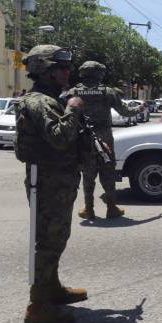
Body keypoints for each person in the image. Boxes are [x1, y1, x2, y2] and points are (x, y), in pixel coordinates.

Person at [13, 45, 87, 323]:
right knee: (47, 242)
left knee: (57, 238)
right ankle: (38, 305)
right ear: (44, 70)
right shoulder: (39, 102)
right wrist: (72, 110)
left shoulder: (50, 98)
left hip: (58, 181)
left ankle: (52, 289)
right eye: (61, 67)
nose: (67, 72)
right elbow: (59, 137)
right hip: (48, 182)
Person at [61, 61, 139, 220]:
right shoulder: (108, 92)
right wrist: (140, 108)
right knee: (107, 173)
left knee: (87, 175)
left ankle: (88, 209)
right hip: (104, 140)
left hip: (83, 139)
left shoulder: (74, 92)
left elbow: (64, 112)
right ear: (99, 74)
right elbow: (125, 112)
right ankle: (111, 208)